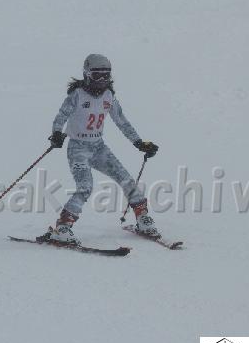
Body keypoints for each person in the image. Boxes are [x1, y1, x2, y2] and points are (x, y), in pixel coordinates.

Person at [38, 54, 159, 245]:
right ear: (87, 74)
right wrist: (56, 134)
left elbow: (122, 121)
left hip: (99, 148)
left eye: (106, 75)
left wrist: (139, 143)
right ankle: (62, 228)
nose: (102, 80)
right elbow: (61, 116)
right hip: (78, 148)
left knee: (126, 179)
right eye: (97, 75)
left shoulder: (109, 96)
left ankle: (143, 218)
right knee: (85, 187)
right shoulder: (77, 95)